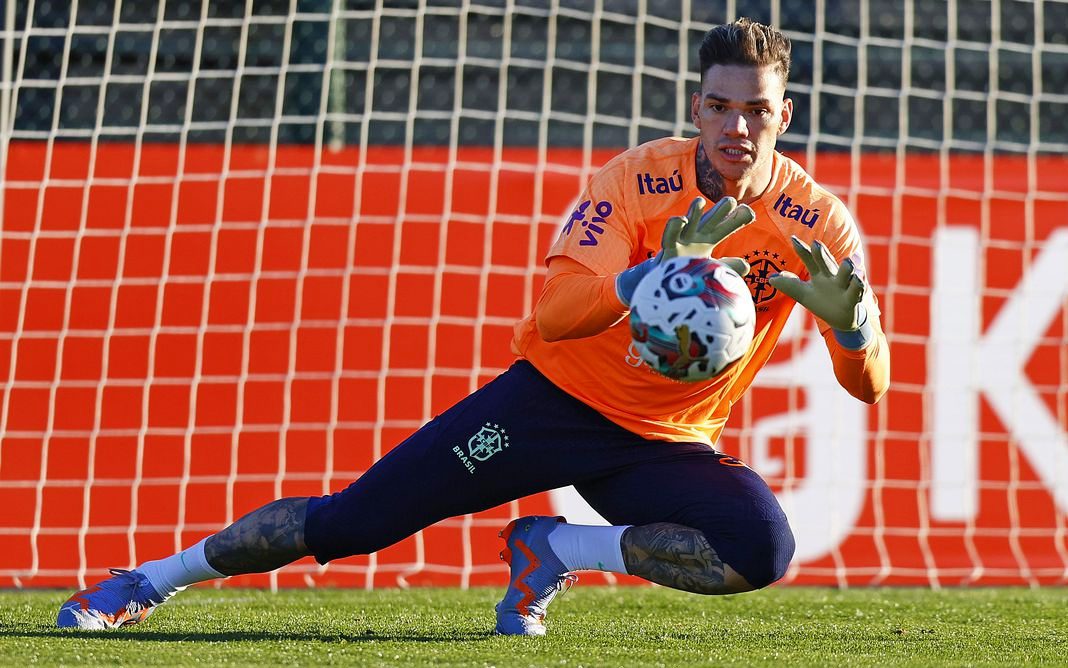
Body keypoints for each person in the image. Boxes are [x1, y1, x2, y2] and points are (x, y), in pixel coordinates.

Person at [57, 18, 889, 636]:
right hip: (549, 405)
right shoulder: (638, 179)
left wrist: (853, 332)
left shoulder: (815, 225)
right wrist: (642, 279)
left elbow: (870, 387)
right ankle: (144, 581)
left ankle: (556, 551)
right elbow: (556, 316)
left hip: (663, 439)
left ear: (787, 112)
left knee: (759, 549)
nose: (735, 129)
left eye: (756, 111)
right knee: (351, 525)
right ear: (697, 105)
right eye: (719, 107)